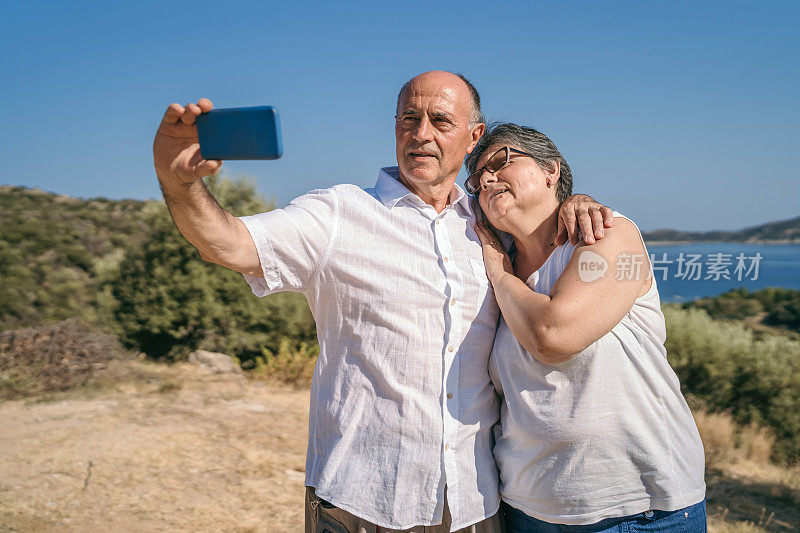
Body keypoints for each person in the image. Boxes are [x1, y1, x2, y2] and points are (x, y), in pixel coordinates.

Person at [152, 72, 613, 532]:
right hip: (361, 498)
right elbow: (230, 244)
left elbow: (546, 226)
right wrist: (179, 184)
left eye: (440, 120)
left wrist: (576, 202)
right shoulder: (338, 214)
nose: (421, 134)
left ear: (474, 137)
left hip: (474, 503)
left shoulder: (491, 223)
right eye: (408, 119)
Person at [466, 123, 707, 532]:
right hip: (529, 510)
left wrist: (501, 274)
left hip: (639, 510)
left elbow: (553, 336)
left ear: (551, 171)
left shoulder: (609, 235)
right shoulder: (482, 266)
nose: (487, 179)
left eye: (502, 161)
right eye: (476, 178)